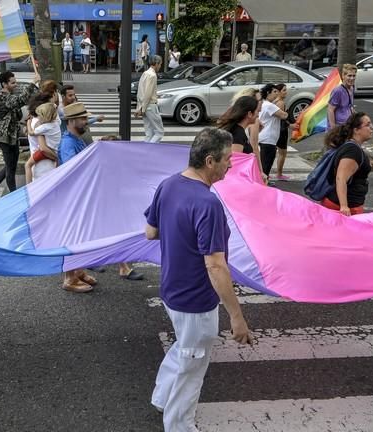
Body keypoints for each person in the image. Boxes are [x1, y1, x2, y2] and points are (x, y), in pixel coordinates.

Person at [145, 127, 253, 431]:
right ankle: (179, 424)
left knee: (185, 346)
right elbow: (216, 266)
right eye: (226, 159)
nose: (230, 165)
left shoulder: (168, 185)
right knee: (192, 366)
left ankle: (162, 396)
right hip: (195, 300)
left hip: (171, 290)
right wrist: (237, 317)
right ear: (209, 161)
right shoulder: (208, 204)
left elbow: (150, 232)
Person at [58, 102, 99, 293]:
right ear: (72, 120)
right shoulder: (68, 143)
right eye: (83, 119)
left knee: (82, 235)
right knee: (73, 236)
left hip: (81, 195)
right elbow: (70, 170)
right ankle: (69, 278)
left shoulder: (77, 138)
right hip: (72, 197)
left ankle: (78, 271)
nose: (86, 121)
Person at [0, 71, 39, 200]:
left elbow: (18, 111)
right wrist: (32, 84)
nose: (15, 84)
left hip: (13, 135)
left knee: (11, 165)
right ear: (4, 84)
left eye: (15, 82)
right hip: (4, 136)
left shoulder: (10, 95)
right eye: (12, 82)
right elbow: (20, 101)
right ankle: (14, 196)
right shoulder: (1, 97)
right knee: (10, 167)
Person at [321, 112, 373, 216]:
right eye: (367, 125)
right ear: (356, 130)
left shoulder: (352, 147)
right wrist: (344, 206)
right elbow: (341, 178)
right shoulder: (352, 150)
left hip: (348, 205)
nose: (372, 127)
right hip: (344, 207)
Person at [258, 84, 290, 179]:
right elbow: (284, 115)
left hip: (264, 137)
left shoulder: (263, 104)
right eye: (275, 92)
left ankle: (264, 181)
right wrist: (288, 112)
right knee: (266, 164)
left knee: (264, 163)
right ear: (268, 93)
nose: (277, 94)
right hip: (268, 138)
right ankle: (263, 184)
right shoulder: (269, 105)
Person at [25, 102, 60, 184]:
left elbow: (31, 133)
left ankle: (28, 187)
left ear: (45, 117)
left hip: (42, 153)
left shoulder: (43, 127)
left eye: (39, 116)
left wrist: (28, 124)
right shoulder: (56, 124)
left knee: (28, 165)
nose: (38, 118)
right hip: (54, 149)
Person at [135, 55, 164, 143]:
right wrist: (142, 108)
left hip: (145, 106)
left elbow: (140, 92)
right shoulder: (152, 75)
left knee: (149, 133)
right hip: (150, 106)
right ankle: (149, 151)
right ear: (156, 63)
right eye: (160, 64)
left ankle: (145, 151)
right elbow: (148, 93)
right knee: (159, 132)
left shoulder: (145, 73)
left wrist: (140, 107)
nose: (160, 66)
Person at [327, 63, 357, 130]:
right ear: (343, 76)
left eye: (354, 76)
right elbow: (330, 110)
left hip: (347, 126)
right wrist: (333, 129)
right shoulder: (338, 91)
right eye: (349, 76)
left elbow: (349, 106)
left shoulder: (352, 88)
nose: (352, 78)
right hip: (338, 128)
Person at [274, 83, 293, 181]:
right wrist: (291, 126)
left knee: (279, 152)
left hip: (278, 129)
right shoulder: (280, 103)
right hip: (281, 130)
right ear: (279, 92)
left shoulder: (276, 101)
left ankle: (278, 173)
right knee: (282, 153)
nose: (286, 92)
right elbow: (282, 118)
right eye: (284, 90)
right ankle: (279, 173)